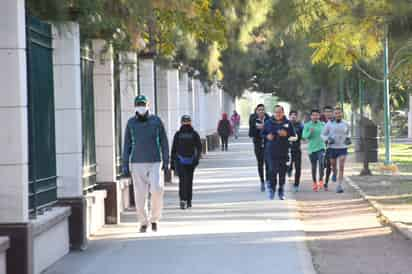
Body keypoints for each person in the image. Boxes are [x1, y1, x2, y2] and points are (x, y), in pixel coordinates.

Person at [122, 95, 169, 233]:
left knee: (157, 189)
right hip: (137, 162)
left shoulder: (156, 121)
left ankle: (154, 219)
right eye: (139, 104)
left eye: (143, 104)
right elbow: (127, 145)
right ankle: (143, 222)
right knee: (140, 194)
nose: (141, 106)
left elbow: (164, 142)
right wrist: (125, 164)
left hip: (155, 161)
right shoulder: (131, 123)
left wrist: (166, 161)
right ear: (135, 106)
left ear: (148, 105)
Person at [262, 105, 296, 200]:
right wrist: (267, 136)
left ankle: (281, 190)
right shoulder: (268, 122)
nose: (278, 114)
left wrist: (286, 134)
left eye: (280, 112)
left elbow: (294, 136)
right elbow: (262, 134)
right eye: (276, 112)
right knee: (272, 171)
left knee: (282, 173)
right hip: (271, 151)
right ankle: (272, 189)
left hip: (284, 151)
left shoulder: (288, 123)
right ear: (274, 113)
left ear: (283, 113)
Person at [171, 115, 202, 209]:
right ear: (190, 122)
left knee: (182, 181)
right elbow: (199, 148)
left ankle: (182, 200)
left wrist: (172, 162)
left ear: (181, 122)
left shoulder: (178, 134)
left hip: (180, 161)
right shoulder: (194, 134)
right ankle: (189, 201)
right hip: (191, 161)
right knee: (189, 181)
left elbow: (174, 149)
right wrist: (196, 160)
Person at [321, 106, 351, 193]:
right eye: (336, 113)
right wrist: (327, 139)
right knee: (333, 165)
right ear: (334, 114)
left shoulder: (346, 123)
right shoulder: (329, 124)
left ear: (342, 114)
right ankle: (334, 172)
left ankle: (339, 185)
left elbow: (349, 133)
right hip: (332, 148)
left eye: (339, 113)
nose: (338, 114)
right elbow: (322, 134)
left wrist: (348, 138)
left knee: (341, 166)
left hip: (342, 147)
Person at [248, 104, 270, 192]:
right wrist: (256, 128)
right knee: (260, 163)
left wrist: (265, 128)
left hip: (267, 144)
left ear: (264, 111)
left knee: (268, 163)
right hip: (257, 144)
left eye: (262, 110)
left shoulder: (268, 119)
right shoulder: (253, 119)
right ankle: (262, 181)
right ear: (256, 111)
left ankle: (268, 180)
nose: (261, 111)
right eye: (259, 110)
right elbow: (250, 134)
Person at [302, 109, 326, 192]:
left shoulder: (323, 124)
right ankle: (314, 183)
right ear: (311, 116)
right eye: (313, 115)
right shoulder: (307, 125)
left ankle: (321, 180)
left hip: (321, 147)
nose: (315, 117)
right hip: (312, 149)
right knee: (314, 167)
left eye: (317, 115)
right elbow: (304, 136)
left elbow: (327, 134)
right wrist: (310, 132)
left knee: (322, 163)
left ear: (319, 116)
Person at [287, 110, 304, 192]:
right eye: (291, 115)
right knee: (288, 164)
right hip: (287, 150)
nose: (293, 116)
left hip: (297, 149)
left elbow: (303, 136)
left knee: (298, 168)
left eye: (295, 115)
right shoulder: (286, 124)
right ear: (289, 116)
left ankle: (296, 184)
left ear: (297, 117)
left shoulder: (300, 126)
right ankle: (289, 169)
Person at [322, 106, 336, 191]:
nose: (328, 113)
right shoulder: (321, 122)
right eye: (326, 112)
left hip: (334, 146)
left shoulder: (335, 122)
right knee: (324, 165)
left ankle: (326, 183)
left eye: (329, 112)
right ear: (323, 113)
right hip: (323, 146)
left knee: (329, 165)